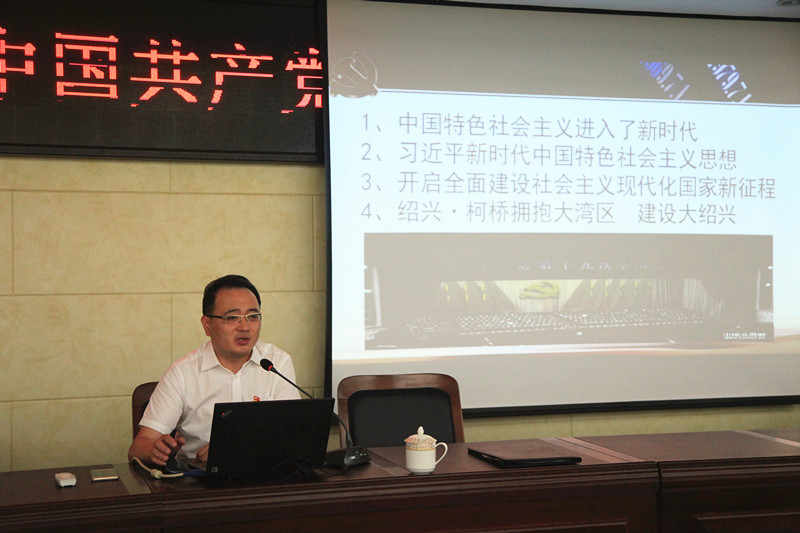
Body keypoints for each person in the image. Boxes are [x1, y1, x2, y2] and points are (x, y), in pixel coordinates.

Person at [128, 274, 300, 466]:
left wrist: (234, 451)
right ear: (207, 325)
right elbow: (139, 447)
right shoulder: (183, 372)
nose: (245, 327)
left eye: (252, 316)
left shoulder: (276, 363)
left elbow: (294, 435)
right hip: (200, 478)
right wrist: (156, 451)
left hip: (264, 475)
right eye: (232, 318)